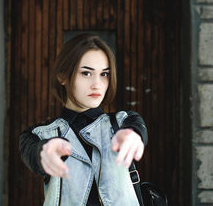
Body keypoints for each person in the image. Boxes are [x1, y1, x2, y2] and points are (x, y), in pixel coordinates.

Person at [19, 34, 148, 206]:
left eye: (104, 74)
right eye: (86, 73)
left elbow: (136, 127)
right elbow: (33, 152)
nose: (97, 84)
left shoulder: (122, 122)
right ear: (63, 76)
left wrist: (133, 135)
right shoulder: (38, 134)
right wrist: (44, 152)